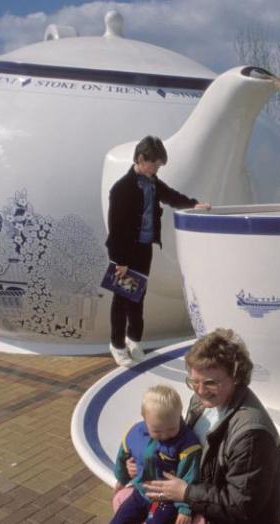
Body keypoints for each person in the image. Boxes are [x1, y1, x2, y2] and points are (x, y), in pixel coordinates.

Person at [129, 328, 280, 524]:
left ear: (236, 376)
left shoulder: (251, 434)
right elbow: (180, 445)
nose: (200, 390)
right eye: (194, 381)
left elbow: (243, 506)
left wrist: (187, 492)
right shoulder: (202, 403)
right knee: (123, 505)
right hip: (200, 498)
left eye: (211, 382)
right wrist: (143, 460)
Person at [105, 135, 210, 367]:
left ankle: (133, 341)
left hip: (144, 249)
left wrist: (193, 204)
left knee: (138, 297)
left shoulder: (152, 182)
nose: (157, 169)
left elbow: (171, 196)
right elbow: (116, 228)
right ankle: (117, 344)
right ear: (141, 159)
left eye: (159, 166)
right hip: (125, 254)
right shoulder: (122, 189)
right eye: (155, 164)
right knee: (121, 300)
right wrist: (119, 260)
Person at [101, 385, 202, 524]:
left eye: (172, 428)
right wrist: (122, 479)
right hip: (142, 493)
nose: (165, 435)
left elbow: (190, 476)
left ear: (179, 415)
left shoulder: (187, 444)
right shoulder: (135, 434)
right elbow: (124, 456)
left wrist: (184, 508)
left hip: (167, 500)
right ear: (144, 418)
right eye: (157, 430)